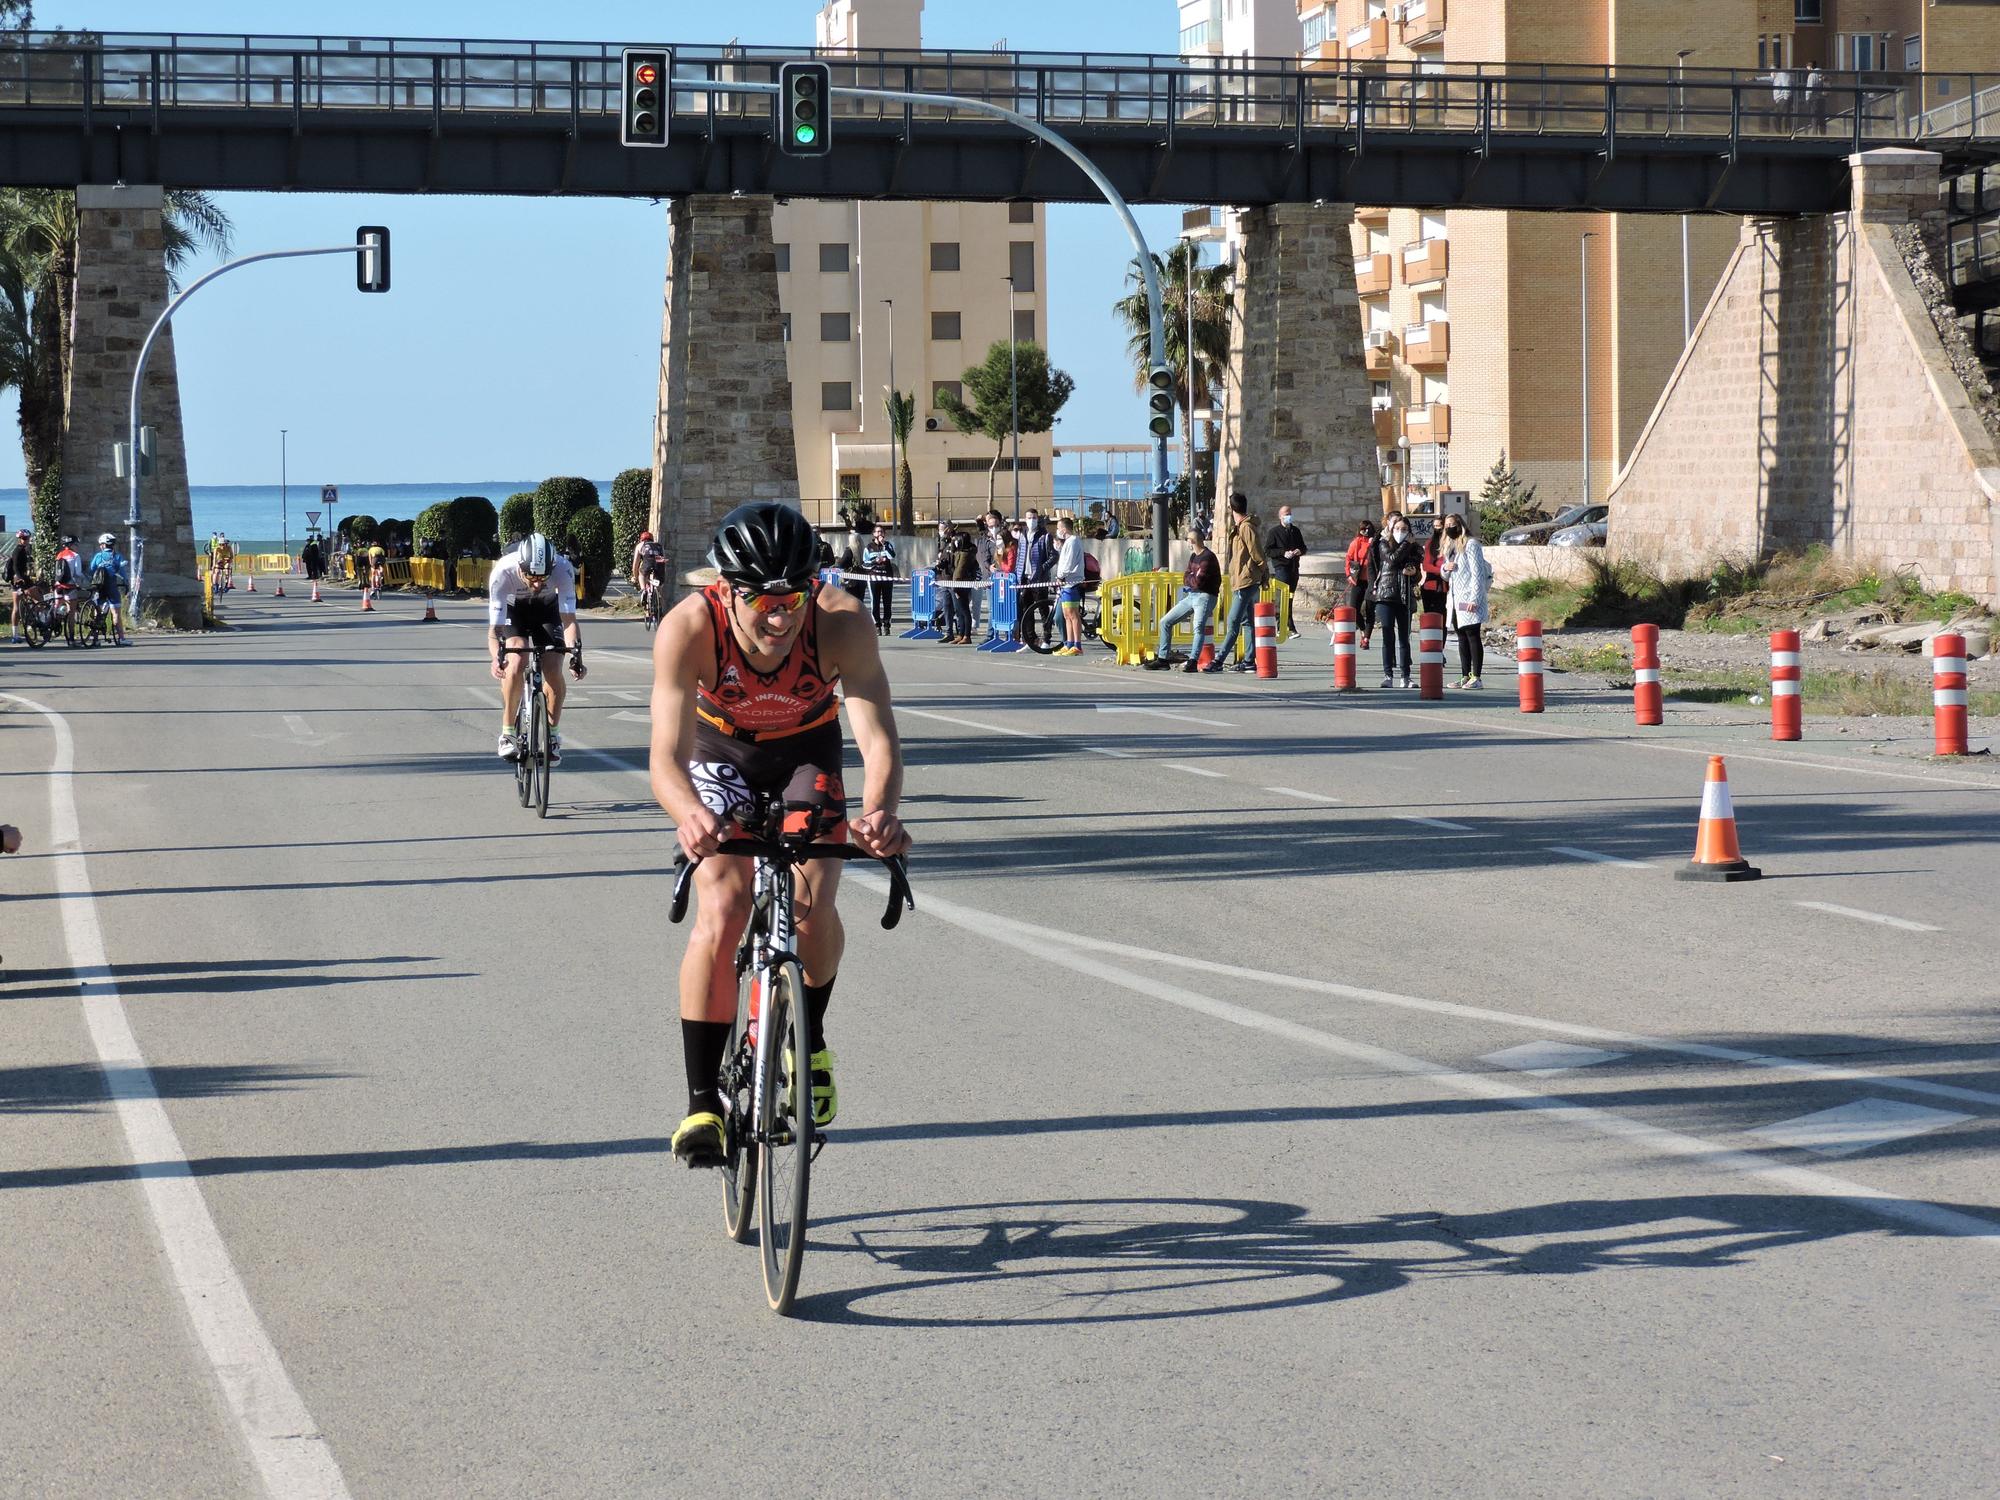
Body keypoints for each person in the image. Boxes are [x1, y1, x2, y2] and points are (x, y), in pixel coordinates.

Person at [647, 501, 911, 1166]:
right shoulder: (688, 628)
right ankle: (703, 1100)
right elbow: (664, 758)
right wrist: (690, 813)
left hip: (804, 753)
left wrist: (877, 811)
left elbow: (877, 739)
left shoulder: (841, 622)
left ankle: (809, 1038)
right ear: (727, 591)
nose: (780, 616)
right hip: (719, 756)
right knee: (725, 905)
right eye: (762, 600)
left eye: (793, 597)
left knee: (812, 904)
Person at [488, 532, 586, 764]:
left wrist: (576, 656)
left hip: (547, 611)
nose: (537, 583)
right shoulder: (502, 573)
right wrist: (496, 657)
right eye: (531, 576)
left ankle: (552, 737)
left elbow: (569, 620)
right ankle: (508, 733)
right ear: (520, 566)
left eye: (543, 577)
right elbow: (495, 631)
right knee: (517, 658)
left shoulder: (563, 569)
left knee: (553, 666)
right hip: (514, 612)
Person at [1143, 522, 1221, 672]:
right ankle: (1163, 659)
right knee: (1165, 621)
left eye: (1187, 541)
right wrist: (1191, 579)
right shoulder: (1193, 557)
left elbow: (1198, 581)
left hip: (1205, 596)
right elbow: (1186, 576)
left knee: (1198, 627)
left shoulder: (1208, 557)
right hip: (1192, 595)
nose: (1187, 544)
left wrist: (1191, 579)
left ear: (1192, 542)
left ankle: (1193, 661)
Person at [1210, 492, 1268, 673]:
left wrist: (1263, 572)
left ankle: (1219, 660)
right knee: (1247, 622)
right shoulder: (1239, 527)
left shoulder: (1245, 528)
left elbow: (1256, 552)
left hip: (1246, 580)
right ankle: (1250, 660)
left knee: (1233, 620)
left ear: (1232, 509)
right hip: (1242, 579)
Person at [1369, 513, 1423, 688]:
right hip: (1386, 594)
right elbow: (1392, 559)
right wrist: (1407, 543)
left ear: (1409, 531)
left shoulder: (1414, 548)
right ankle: (1388, 675)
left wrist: (1413, 572)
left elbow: (1417, 571)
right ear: (1391, 530)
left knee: (1404, 638)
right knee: (1387, 636)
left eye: (1405, 529)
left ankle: (1406, 676)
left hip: (1405, 596)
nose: (1401, 532)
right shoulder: (1384, 544)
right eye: (1398, 529)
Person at [1441, 514, 1492, 688]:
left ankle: (1476, 677)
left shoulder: (1471, 544)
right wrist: (1445, 568)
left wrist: (1474, 598)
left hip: (1469, 598)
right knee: (1461, 636)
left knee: (1472, 635)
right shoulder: (1450, 547)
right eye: (1446, 525)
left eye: (1452, 524)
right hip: (1455, 600)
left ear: (1460, 525)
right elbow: (1446, 575)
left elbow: (1478, 574)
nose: (1449, 528)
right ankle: (1465, 675)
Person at [1264, 504, 1308, 639]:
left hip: (1294, 568)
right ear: (1280, 516)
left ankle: (1288, 627)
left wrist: (1299, 551)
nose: (1288, 516)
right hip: (1281, 568)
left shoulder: (1295, 531)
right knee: (1281, 598)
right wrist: (1283, 553)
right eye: (1285, 514)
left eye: (1289, 513)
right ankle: (1283, 627)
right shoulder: (1274, 532)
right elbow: (1268, 550)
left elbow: (1303, 547)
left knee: (1289, 598)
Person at [1052, 514, 1087, 656]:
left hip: (1072, 582)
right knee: (1067, 615)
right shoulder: (1067, 542)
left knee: (1073, 614)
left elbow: (1070, 562)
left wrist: (1062, 575)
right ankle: (1069, 643)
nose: (1057, 530)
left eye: (1058, 527)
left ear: (1064, 529)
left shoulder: (1073, 541)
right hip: (1066, 584)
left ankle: (1077, 645)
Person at [939, 520, 979, 643]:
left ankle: (966, 635)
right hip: (955, 583)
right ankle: (961, 634)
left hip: (960, 584)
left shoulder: (964, 554)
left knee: (964, 610)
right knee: (959, 610)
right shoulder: (958, 552)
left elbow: (958, 571)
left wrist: (955, 587)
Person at [87, 533, 130, 644]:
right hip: (112, 587)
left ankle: (95, 639)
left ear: (103, 545)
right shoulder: (117, 556)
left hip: (100, 587)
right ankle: (121, 639)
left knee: (98, 611)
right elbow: (122, 572)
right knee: (116, 613)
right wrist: (126, 582)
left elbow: (91, 570)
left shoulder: (98, 556)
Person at [1344, 520, 1377, 651]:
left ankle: (1366, 639)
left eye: (1368, 529)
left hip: (1371, 580)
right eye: (1363, 529)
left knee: (1370, 610)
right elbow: (1348, 559)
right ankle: (1363, 629)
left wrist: (1372, 545)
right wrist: (1348, 575)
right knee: (1353, 608)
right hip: (1358, 580)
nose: (1366, 531)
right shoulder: (1356, 542)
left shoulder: (1375, 542)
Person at [860, 523, 897, 636]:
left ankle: (886, 625)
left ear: (884, 534)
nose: (879, 533)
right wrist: (874, 562)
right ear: (873, 534)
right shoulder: (869, 547)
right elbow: (864, 564)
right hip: (874, 578)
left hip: (886, 577)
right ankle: (877, 625)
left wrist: (884, 545)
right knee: (875, 602)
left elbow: (892, 556)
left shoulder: (888, 545)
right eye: (877, 531)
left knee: (887, 602)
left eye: (881, 532)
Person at [1418, 518, 1448, 623]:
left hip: (1448, 586)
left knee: (1443, 620)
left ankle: (1442, 640)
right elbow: (1426, 565)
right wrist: (1443, 569)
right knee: (1432, 620)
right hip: (1433, 585)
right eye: (1434, 526)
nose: (1437, 529)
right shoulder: (1431, 543)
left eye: (1439, 526)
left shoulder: (1452, 543)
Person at [5, 528, 32, 644]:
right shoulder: (18, 550)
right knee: (37, 598)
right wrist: (20, 577)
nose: (25, 540)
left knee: (20, 606)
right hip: (19, 581)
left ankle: (17, 634)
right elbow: (16, 566)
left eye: (27, 538)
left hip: (19, 581)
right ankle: (35, 622)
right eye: (23, 538)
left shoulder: (24, 550)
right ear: (19, 539)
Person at [631, 529, 665, 611]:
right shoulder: (659, 545)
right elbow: (663, 559)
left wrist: (635, 576)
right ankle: (659, 600)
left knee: (641, 575)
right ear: (652, 539)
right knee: (658, 582)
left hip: (647, 562)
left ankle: (644, 591)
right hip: (659, 563)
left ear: (641, 539)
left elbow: (636, 563)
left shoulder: (640, 545)